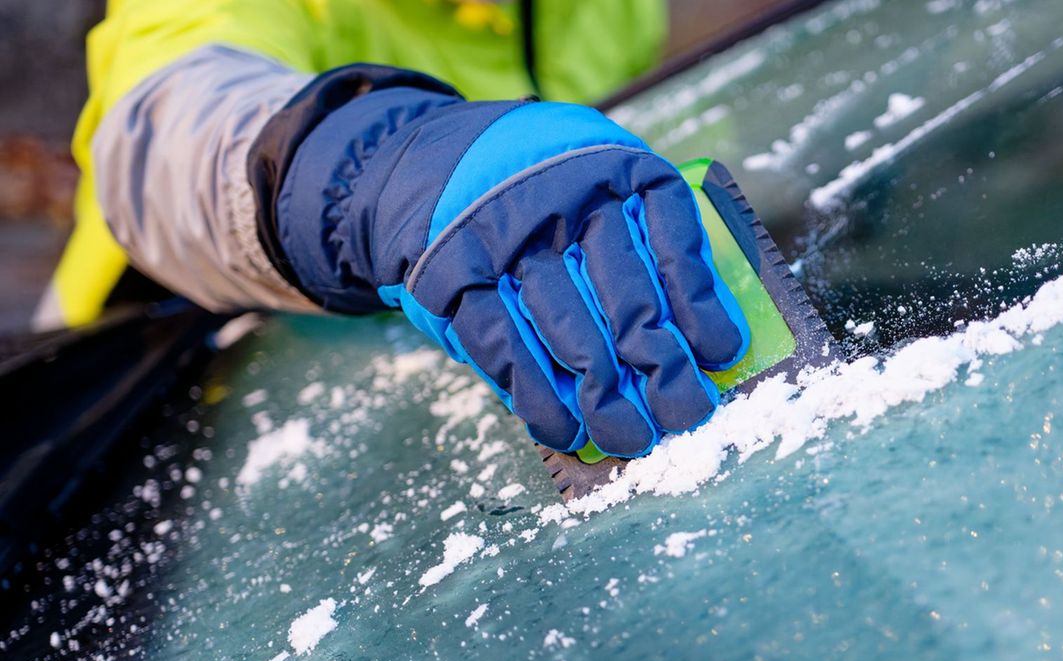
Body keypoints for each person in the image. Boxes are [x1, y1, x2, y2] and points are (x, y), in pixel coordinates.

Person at [37, 0, 773, 459]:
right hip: (152, 404)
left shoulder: (605, 8)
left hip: (466, 341)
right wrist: (378, 172)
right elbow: (165, 131)